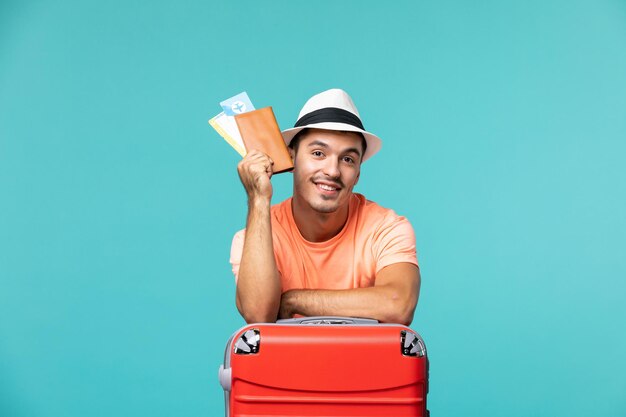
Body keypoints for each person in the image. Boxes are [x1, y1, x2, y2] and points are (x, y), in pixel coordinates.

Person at [230, 89, 420, 325]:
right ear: (291, 159)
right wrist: (258, 199)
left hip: (366, 362)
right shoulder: (255, 237)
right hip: (287, 363)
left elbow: (397, 304)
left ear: (358, 173)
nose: (333, 171)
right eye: (318, 153)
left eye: (348, 159)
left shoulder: (387, 228)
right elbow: (258, 316)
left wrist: (293, 300)